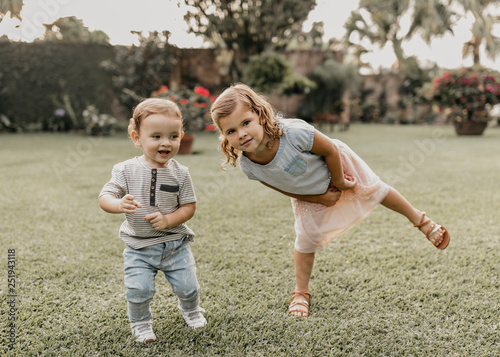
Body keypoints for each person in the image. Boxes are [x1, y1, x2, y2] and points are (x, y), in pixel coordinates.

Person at [210, 83, 450, 318]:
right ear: (224, 136)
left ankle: (421, 221)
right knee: (305, 239)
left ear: (260, 115)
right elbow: (280, 186)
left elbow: (331, 151)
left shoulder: (292, 133)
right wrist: (319, 197)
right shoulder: (248, 165)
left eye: (246, 123)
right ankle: (301, 293)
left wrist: (341, 182)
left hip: (338, 166)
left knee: (375, 191)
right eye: (231, 131)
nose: (241, 134)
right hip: (309, 191)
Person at [99, 98, 206, 343]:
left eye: (173, 136)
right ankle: (141, 323)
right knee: (139, 289)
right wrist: (118, 205)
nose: (165, 143)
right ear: (137, 138)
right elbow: (104, 197)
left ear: (181, 136)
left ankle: (191, 309)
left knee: (188, 286)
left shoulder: (181, 172)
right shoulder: (124, 170)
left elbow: (189, 206)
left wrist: (169, 220)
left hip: (175, 245)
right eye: (156, 136)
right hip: (138, 247)